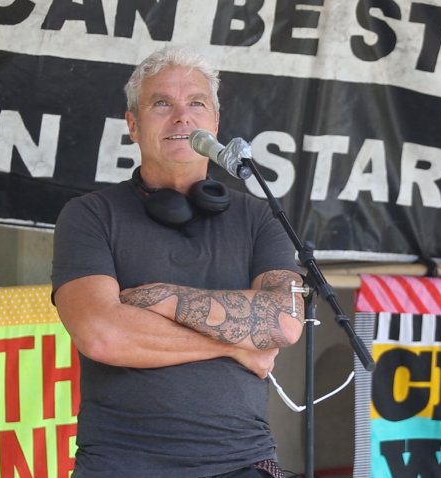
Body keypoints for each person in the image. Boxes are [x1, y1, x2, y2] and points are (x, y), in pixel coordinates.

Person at [51, 45, 305, 478]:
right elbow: (103, 336)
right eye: (161, 103)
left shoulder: (263, 216)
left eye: (196, 103)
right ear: (133, 124)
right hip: (120, 463)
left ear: (216, 124)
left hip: (243, 462)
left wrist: (163, 298)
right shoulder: (89, 215)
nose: (182, 117)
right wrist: (237, 344)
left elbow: (282, 324)